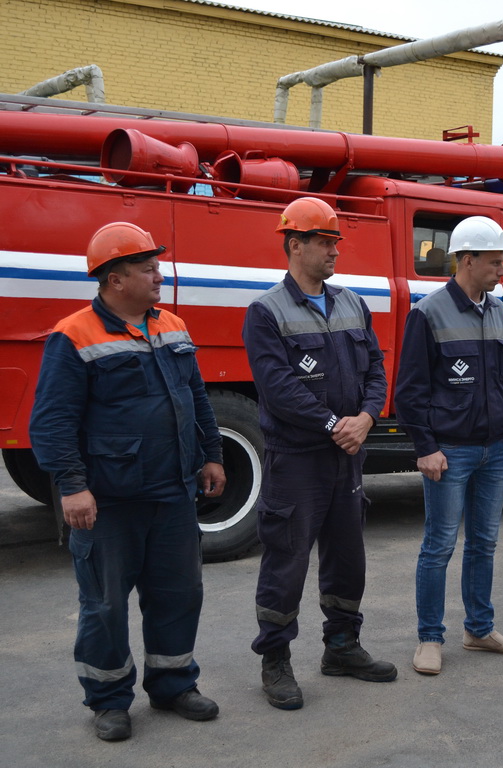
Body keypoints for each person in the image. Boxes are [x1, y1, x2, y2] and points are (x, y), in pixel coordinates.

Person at [29, 222, 225, 742]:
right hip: (109, 502)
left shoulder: (173, 326)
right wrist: (72, 486)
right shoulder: (74, 335)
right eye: (148, 269)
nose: (159, 276)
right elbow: (51, 422)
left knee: (178, 594)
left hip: (174, 493)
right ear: (116, 279)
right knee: (106, 605)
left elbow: (197, 397)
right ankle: (109, 700)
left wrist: (212, 455)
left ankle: (174, 684)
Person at [243, 197, 395, 710]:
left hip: (346, 457)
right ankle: (276, 660)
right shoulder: (266, 312)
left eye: (335, 242)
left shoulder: (353, 303)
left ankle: (343, 647)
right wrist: (337, 425)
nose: (334, 250)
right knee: (286, 562)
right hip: (298, 460)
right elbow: (278, 387)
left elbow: (376, 370)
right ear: (295, 244)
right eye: (325, 241)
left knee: (348, 557)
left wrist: (368, 419)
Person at [394, 215, 503, 676]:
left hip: (495, 448)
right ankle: (429, 638)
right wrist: (426, 447)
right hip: (449, 452)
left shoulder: (498, 311)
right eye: (495, 262)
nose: (502, 270)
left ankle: (479, 629)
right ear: (467, 259)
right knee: (439, 546)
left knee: (484, 543)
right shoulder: (428, 312)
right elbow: (410, 391)